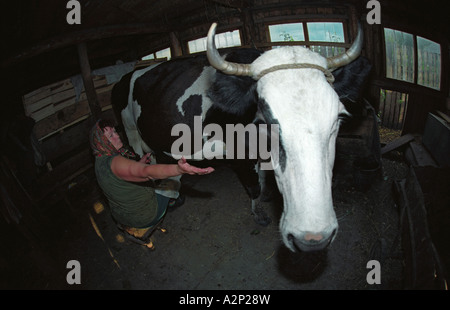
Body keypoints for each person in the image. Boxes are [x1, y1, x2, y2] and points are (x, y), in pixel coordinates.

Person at [89, 119, 214, 249]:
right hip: (145, 216)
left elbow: (126, 172)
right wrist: (179, 169)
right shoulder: (114, 161)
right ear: (102, 142)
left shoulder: (99, 161)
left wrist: (141, 162)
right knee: (174, 179)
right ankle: (170, 202)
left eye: (115, 131)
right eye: (111, 136)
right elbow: (146, 172)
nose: (117, 136)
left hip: (121, 216)